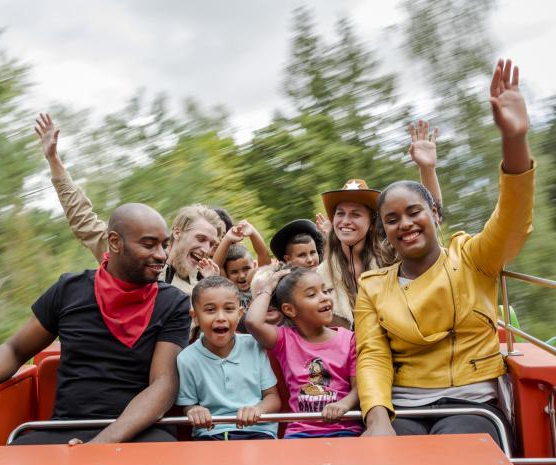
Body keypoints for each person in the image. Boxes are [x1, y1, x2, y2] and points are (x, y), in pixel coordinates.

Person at [355, 59, 533, 446]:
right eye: (392, 219)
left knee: (453, 456)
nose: (404, 224)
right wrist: (377, 416)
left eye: (414, 212)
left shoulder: (472, 258)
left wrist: (514, 140)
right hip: (404, 403)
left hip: (470, 401)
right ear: (384, 231)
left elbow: (513, 221)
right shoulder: (373, 286)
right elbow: (372, 355)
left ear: (434, 214)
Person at [0, 203, 191, 445]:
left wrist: (101, 444)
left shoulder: (173, 303)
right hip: (66, 428)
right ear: (114, 242)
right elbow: (14, 349)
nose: (161, 255)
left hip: (140, 432)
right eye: (149, 245)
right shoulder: (69, 290)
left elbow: (164, 384)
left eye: (164, 245)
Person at [34, 114, 225, 296]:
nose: (206, 249)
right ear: (177, 232)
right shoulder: (134, 257)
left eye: (211, 244)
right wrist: (53, 160)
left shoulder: (201, 287)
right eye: (200, 238)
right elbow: (84, 221)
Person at [317, 120, 443, 329]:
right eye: (340, 214)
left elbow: (431, 228)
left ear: (372, 222)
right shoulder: (322, 273)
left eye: (355, 214)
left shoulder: (392, 255)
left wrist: (427, 169)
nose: (345, 221)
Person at [246, 267, 362, 438]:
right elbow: (253, 322)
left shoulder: (349, 339)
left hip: (345, 430)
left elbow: (359, 388)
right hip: (300, 432)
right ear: (290, 310)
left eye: (325, 290)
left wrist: (344, 404)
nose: (324, 298)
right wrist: (269, 288)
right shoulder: (285, 340)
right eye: (311, 295)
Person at [177, 276, 281, 440]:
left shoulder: (254, 345)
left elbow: (273, 398)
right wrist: (193, 410)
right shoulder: (186, 359)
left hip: (257, 431)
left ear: (239, 314)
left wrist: (258, 410)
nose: (220, 317)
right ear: (195, 317)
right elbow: (188, 404)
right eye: (210, 310)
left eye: (229, 309)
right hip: (211, 433)